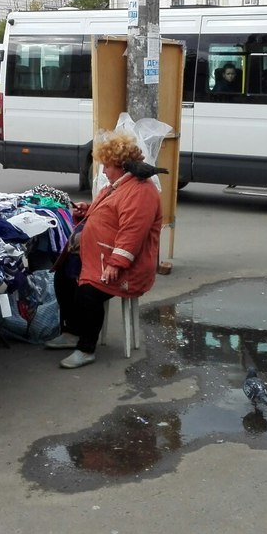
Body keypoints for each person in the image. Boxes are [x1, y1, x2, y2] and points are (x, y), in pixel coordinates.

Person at [44, 132, 163, 369]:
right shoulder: (118, 184)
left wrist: (116, 264)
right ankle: (72, 332)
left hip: (129, 266)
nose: (104, 171)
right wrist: (86, 209)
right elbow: (108, 214)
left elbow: (132, 233)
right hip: (99, 255)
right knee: (63, 277)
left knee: (88, 292)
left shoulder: (140, 191)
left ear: (120, 165)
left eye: (107, 165)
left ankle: (86, 348)